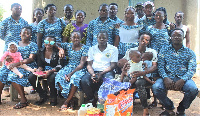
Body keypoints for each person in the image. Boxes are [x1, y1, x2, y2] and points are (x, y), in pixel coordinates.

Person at [152, 28, 198, 116]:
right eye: (174, 35)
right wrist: (165, 77)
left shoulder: (190, 52)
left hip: (183, 79)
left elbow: (192, 69)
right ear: (171, 37)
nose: (176, 37)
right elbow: (160, 66)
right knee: (156, 87)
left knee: (193, 89)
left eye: (179, 35)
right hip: (167, 77)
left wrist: (183, 80)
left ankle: (181, 109)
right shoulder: (164, 50)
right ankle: (169, 107)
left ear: (183, 37)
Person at [0, 26, 38, 109]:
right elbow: (7, 53)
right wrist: (7, 58)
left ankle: (23, 100)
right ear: (20, 34)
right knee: (1, 73)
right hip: (11, 65)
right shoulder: (14, 44)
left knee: (13, 75)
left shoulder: (33, 45)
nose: (25, 34)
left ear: (31, 35)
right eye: (24, 32)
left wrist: (17, 63)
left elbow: (31, 59)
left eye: (28, 33)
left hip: (27, 66)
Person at [81, 30, 118, 107]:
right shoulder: (92, 49)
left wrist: (101, 73)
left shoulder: (113, 49)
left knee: (109, 81)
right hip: (94, 71)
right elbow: (89, 64)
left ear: (107, 39)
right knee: (84, 81)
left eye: (104, 38)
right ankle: (92, 100)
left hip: (107, 71)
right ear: (97, 38)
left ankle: (104, 101)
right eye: (99, 37)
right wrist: (93, 74)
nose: (101, 39)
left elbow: (113, 65)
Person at [55, 31, 89, 110]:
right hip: (68, 67)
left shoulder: (85, 48)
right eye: (74, 37)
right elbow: (55, 43)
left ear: (81, 39)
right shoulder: (68, 45)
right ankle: (71, 100)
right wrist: (60, 49)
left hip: (80, 69)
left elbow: (81, 64)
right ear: (70, 38)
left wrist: (70, 74)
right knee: (59, 76)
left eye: (78, 38)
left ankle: (66, 102)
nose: (76, 39)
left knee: (75, 79)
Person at [28, 36, 64, 106]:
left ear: (54, 44)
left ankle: (53, 97)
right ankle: (43, 95)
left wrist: (50, 71)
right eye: (47, 42)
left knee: (52, 78)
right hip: (44, 71)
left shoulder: (58, 52)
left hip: (55, 70)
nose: (49, 44)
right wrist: (40, 69)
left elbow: (60, 65)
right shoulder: (40, 51)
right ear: (44, 42)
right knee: (31, 77)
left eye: (51, 42)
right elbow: (40, 64)